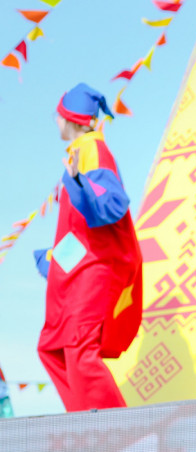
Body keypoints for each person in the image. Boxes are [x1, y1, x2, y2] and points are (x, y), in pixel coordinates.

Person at [33, 83, 143, 411]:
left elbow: (112, 205)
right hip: (78, 268)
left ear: (70, 119)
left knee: (79, 348)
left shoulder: (93, 150)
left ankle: (120, 429)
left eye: (58, 115)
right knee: (52, 347)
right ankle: (87, 423)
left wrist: (80, 182)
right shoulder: (78, 153)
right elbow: (80, 229)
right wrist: (55, 260)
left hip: (96, 269)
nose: (55, 120)